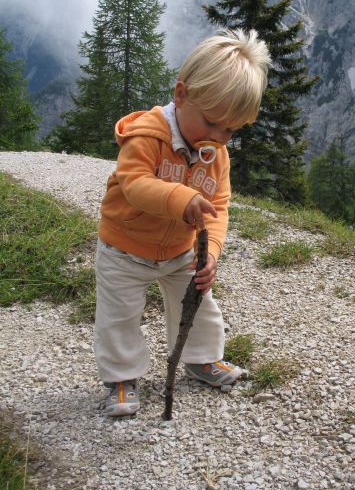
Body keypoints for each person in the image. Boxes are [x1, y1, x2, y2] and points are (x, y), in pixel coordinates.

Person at [94, 29, 270, 416]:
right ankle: (122, 378)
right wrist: (180, 197)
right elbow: (136, 184)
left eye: (231, 130)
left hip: (179, 252)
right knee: (119, 315)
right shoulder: (146, 137)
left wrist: (212, 253)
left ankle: (201, 358)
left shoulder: (217, 154)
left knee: (200, 303)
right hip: (124, 249)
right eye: (211, 123)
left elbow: (219, 205)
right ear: (181, 95)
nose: (219, 137)